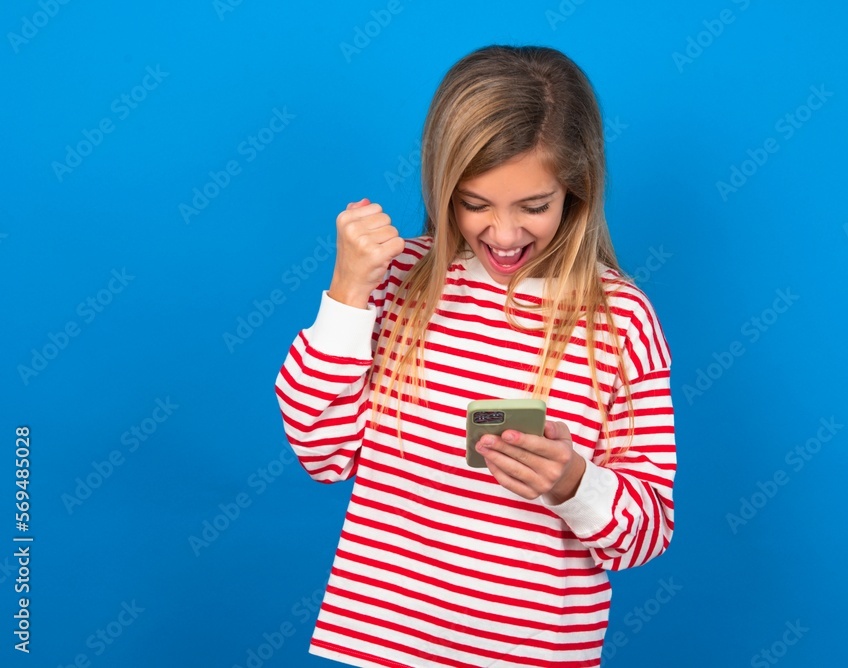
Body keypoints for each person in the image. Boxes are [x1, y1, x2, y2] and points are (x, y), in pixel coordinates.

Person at [274, 44, 676, 668]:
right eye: (476, 204)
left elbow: (647, 533)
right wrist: (348, 290)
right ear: (441, 185)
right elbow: (322, 453)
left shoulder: (620, 321)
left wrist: (574, 482)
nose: (506, 234)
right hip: (381, 648)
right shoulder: (397, 279)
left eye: (534, 206)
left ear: (577, 190)